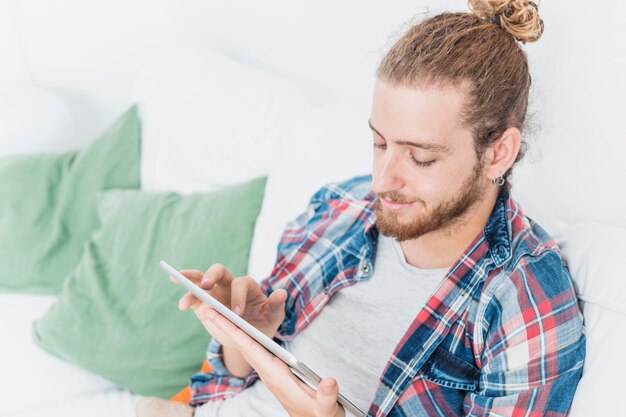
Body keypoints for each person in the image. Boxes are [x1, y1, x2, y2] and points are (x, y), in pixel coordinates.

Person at [136, 0, 586, 416]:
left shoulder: (524, 300)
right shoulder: (341, 208)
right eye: (379, 143)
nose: (381, 181)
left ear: (497, 153)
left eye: (421, 156)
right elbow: (228, 380)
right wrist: (247, 335)